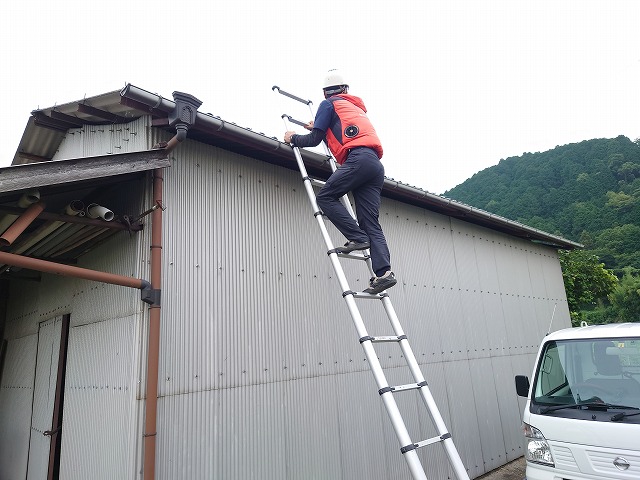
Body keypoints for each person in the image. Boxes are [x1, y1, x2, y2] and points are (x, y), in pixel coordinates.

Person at [283, 70, 396, 295]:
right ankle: (384, 274)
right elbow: (340, 131)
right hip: (374, 165)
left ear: (325, 92)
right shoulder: (354, 108)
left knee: (325, 197)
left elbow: (314, 139)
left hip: (357, 160)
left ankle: (357, 237)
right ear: (346, 89)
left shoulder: (328, 104)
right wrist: (318, 126)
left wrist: (292, 138)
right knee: (370, 222)